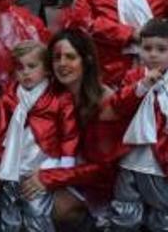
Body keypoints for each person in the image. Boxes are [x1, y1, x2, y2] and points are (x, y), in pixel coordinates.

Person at [29, 29, 142, 227]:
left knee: (55, 206)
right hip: (69, 170)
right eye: (56, 58)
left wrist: (50, 177)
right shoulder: (51, 95)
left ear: (87, 60)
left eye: (70, 57)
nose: (62, 64)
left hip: (102, 184)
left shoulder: (105, 103)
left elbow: (104, 169)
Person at [0, 41, 79, 232]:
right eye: (20, 67)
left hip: (39, 168)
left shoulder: (58, 98)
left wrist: (64, 168)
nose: (25, 72)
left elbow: (69, 133)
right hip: (9, 166)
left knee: (37, 214)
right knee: (7, 214)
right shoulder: (9, 95)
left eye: (32, 66)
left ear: (47, 70)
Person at [107, 18, 168, 230]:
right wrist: (142, 86)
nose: (153, 54)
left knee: (162, 213)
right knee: (125, 209)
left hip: (161, 162)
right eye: (147, 48)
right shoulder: (133, 76)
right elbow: (118, 105)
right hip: (131, 157)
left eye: (161, 49)